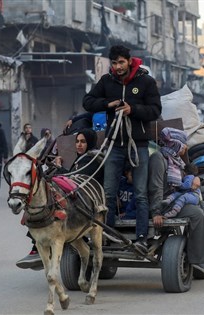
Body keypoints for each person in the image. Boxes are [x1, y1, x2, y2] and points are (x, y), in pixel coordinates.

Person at [83, 45, 162, 252]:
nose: (118, 67)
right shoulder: (106, 82)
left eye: (121, 62)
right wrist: (108, 104)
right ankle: (108, 235)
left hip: (139, 145)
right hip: (114, 145)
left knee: (140, 193)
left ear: (129, 61)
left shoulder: (145, 81)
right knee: (109, 192)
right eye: (114, 63)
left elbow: (155, 110)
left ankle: (142, 237)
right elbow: (88, 102)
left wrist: (132, 109)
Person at [16, 128, 103, 269]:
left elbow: (76, 178)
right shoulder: (82, 157)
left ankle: (40, 246)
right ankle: (38, 244)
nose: (79, 145)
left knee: (55, 204)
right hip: (79, 194)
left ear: (90, 143)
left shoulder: (92, 159)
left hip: (87, 198)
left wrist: (58, 167)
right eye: (77, 142)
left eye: (83, 142)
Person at [148, 127, 204, 274]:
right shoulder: (158, 159)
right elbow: (155, 187)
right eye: (183, 144)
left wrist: (194, 179)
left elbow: (186, 176)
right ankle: (199, 260)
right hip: (164, 204)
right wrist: (156, 212)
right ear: (175, 143)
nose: (186, 147)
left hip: (176, 198)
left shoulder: (176, 160)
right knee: (197, 214)